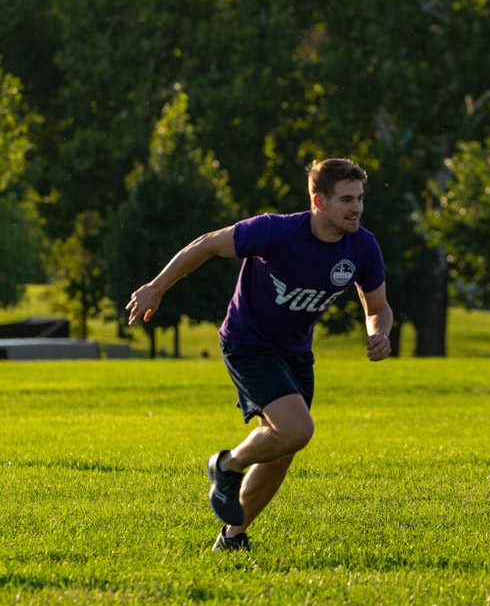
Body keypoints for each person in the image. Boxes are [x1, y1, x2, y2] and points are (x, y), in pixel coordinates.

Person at [126, 158, 392, 551]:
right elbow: (207, 245)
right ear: (318, 202)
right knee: (298, 430)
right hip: (247, 343)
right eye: (346, 200)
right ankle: (227, 465)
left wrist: (379, 333)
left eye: (360, 198)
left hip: (296, 353)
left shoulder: (363, 245)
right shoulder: (276, 231)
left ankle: (232, 538)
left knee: (284, 449)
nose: (357, 208)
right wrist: (157, 287)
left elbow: (378, 308)